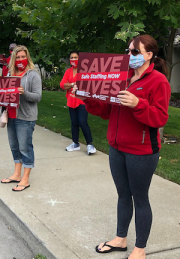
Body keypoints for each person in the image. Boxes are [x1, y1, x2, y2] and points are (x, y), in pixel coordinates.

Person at [73, 35, 171, 259]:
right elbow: (107, 111)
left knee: (140, 197)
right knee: (123, 195)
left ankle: (140, 248)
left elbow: (160, 118)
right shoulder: (121, 78)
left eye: (135, 52)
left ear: (149, 55)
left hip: (142, 151)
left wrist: (139, 104)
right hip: (116, 147)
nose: (130, 56)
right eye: (128, 51)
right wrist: (86, 97)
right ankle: (120, 239)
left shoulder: (158, 81)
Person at [0, 45, 42, 191]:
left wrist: (24, 93)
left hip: (26, 117)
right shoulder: (10, 74)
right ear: (13, 59)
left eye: (23, 56)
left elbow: (38, 97)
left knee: (25, 147)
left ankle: (25, 179)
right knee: (14, 146)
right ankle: (17, 174)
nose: (21, 59)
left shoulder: (33, 74)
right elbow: (4, 94)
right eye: (18, 57)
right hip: (11, 115)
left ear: (27, 57)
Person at [60, 50, 96, 155]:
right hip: (71, 100)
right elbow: (62, 84)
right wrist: (73, 84)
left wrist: (70, 84)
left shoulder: (85, 71)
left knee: (82, 122)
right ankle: (75, 143)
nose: (73, 60)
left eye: (75, 57)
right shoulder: (68, 71)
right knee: (74, 123)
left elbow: (86, 85)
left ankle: (90, 145)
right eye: (71, 58)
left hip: (82, 101)